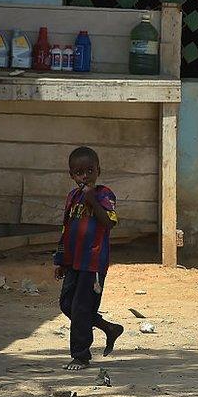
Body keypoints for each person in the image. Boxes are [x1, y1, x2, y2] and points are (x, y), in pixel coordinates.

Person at [53, 146, 124, 371]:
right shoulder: (72, 197)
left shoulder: (104, 195)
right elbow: (67, 228)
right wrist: (61, 260)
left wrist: (92, 199)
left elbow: (109, 222)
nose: (85, 176)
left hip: (93, 262)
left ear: (98, 171)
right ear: (71, 175)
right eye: (79, 172)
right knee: (66, 304)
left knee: (82, 307)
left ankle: (81, 356)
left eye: (89, 171)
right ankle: (108, 327)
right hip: (73, 261)